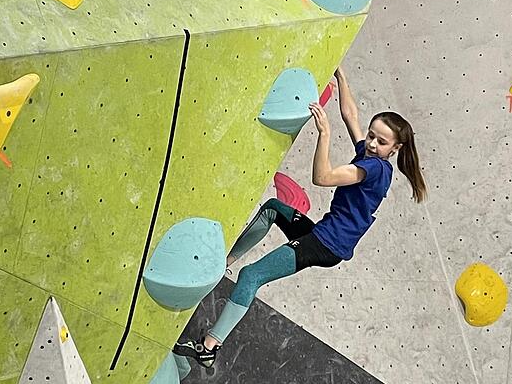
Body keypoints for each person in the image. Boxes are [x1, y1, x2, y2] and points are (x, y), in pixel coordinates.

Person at [173, 66, 427, 368]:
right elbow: (351, 116)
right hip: (322, 233)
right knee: (273, 208)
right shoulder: (371, 155)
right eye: (372, 136)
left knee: (251, 276)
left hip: (325, 244)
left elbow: (323, 177)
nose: (371, 143)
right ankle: (223, 263)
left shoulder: (373, 169)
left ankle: (209, 347)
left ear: (395, 149)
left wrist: (324, 134)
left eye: (381, 142)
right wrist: (342, 77)